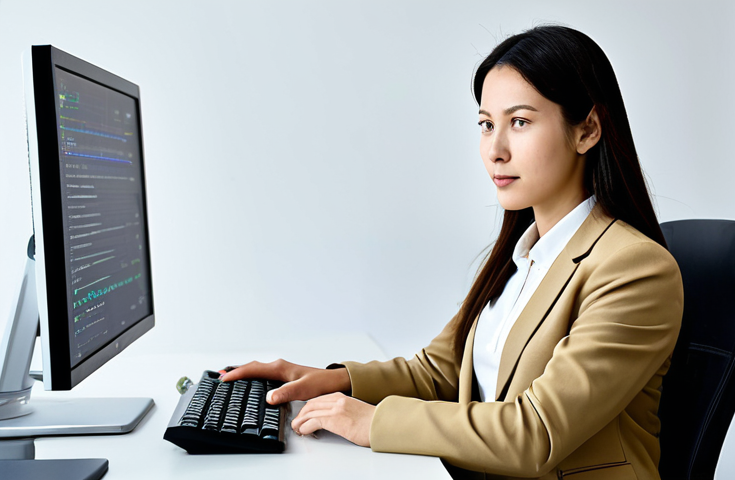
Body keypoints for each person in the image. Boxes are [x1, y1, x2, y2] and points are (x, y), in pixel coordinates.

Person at [220, 24, 684, 480]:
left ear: (588, 131)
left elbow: (537, 433)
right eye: (486, 125)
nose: (495, 150)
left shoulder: (633, 268)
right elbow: (440, 370)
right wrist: (332, 380)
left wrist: (372, 423)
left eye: (519, 122)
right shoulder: (521, 255)